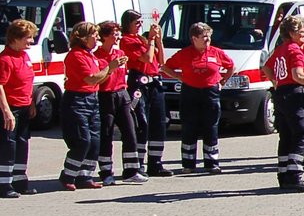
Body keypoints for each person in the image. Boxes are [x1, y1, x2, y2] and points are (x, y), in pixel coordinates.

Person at [265, 15, 304, 192]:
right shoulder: (293, 50)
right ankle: (294, 175)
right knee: (302, 131)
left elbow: (267, 67)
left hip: (282, 94)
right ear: (291, 33)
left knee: (286, 134)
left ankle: (283, 174)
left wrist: (276, 82)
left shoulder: (282, 48)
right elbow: (297, 75)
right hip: (293, 92)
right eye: (301, 32)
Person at [162, 22, 234, 174]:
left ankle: (212, 162)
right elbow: (166, 67)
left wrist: (223, 81)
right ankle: (188, 163)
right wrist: (179, 76)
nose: (208, 40)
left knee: (211, 127)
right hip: (190, 92)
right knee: (189, 127)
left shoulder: (216, 52)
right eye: (204, 37)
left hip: (210, 92)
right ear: (194, 39)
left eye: (209, 37)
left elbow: (231, 66)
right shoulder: (184, 53)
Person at [60, 21, 112, 190]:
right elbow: (90, 78)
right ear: (82, 37)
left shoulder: (91, 55)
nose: (97, 37)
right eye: (93, 35)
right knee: (83, 140)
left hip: (92, 99)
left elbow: (98, 79)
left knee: (95, 141)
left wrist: (109, 70)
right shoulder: (75, 55)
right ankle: (68, 175)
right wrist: (109, 68)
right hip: (77, 100)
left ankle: (85, 176)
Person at [95, 20, 145, 185]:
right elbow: (98, 79)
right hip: (105, 96)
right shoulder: (97, 56)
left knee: (130, 131)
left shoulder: (120, 53)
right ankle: (106, 172)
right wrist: (111, 67)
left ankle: (131, 171)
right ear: (104, 36)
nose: (117, 36)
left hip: (122, 94)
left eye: (118, 32)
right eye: (114, 33)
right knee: (106, 134)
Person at [124, 14, 171, 177]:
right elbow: (146, 58)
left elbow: (160, 61)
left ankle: (156, 163)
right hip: (139, 83)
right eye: (136, 22)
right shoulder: (127, 40)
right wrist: (150, 40)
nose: (139, 25)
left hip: (155, 82)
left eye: (141, 23)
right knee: (141, 123)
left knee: (159, 122)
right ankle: (139, 163)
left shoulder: (143, 40)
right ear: (128, 23)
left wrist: (158, 40)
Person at [0, 19, 39, 197]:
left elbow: (28, 81)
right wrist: (7, 112)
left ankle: (20, 181)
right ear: (16, 38)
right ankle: (4, 185)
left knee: (22, 143)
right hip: (10, 108)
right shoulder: (5, 59)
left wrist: (31, 103)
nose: (31, 41)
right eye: (28, 38)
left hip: (24, 107)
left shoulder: (24, 56)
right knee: (8, 145)